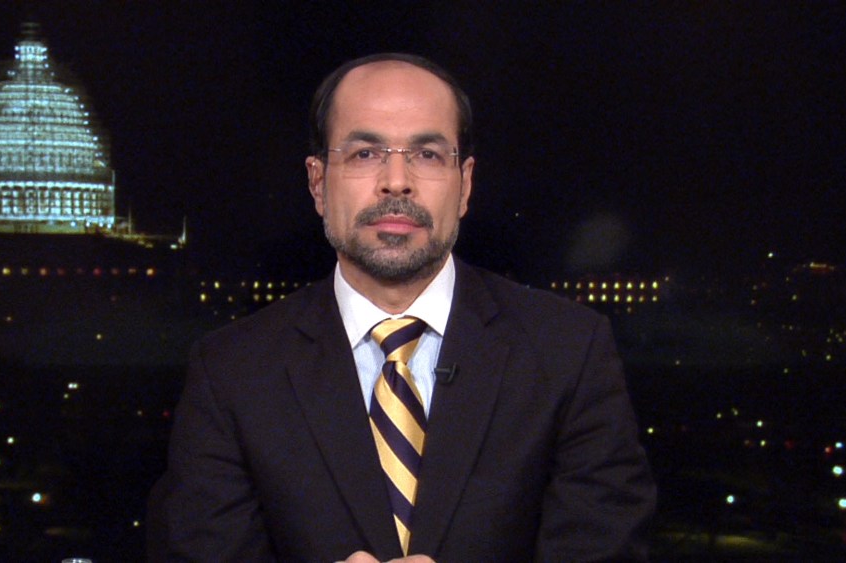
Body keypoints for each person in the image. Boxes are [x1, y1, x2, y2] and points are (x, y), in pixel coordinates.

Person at [154, 53, 655, 562]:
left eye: (428, 154)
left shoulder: (570, 351)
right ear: (317, 183)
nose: (396, 181)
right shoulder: (231, 371)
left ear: (465, 184)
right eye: (365, 153)